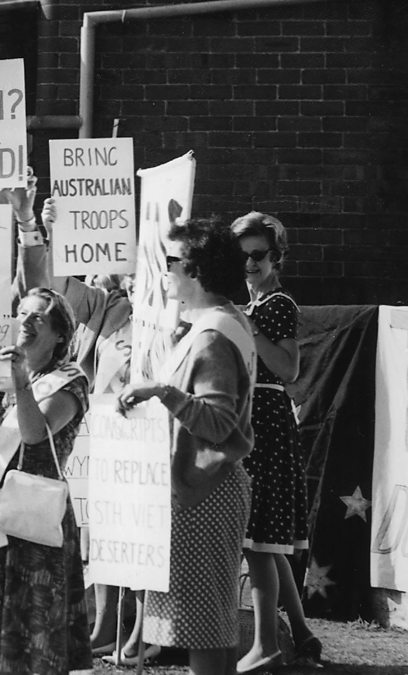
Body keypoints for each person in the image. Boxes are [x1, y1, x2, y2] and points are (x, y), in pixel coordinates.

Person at [117, 217, 256, 675]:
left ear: (195, 270)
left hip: (205, 496)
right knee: (210, 632)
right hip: (208, 491)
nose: (164, 272)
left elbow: (217, 423)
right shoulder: (221, 323)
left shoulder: (213, 336)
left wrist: (163, 391)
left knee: (204, 633)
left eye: (170, 262)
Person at [0, 287, 93, 675]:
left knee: (37, 646)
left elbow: (33, 433)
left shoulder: (70, 380)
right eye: (21, 313)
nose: (24, 321)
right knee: (1, 646)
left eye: (37, 317)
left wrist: (21, 381)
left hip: (36, 521)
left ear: (60, 334)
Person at [33, 192, 145, 662]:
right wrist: (51, 231)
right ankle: (103, 627)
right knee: (103, 532)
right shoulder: (104, 304)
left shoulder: (169, 310)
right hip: (102, 430)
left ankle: (142, 631)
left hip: (148, 432)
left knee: (142, 532)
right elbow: (53, 285)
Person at [231, 212, 319, 671]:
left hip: (265, 422)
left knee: (260, 539)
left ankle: (268, 644)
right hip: (252, 419)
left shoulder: (277, 304)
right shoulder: (248, 306)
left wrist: (248, 327)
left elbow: (288, 370)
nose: (249, 263)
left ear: (276, 256)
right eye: (242, 255)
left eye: (258, 255)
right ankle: (300, 633)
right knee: (266, 539)